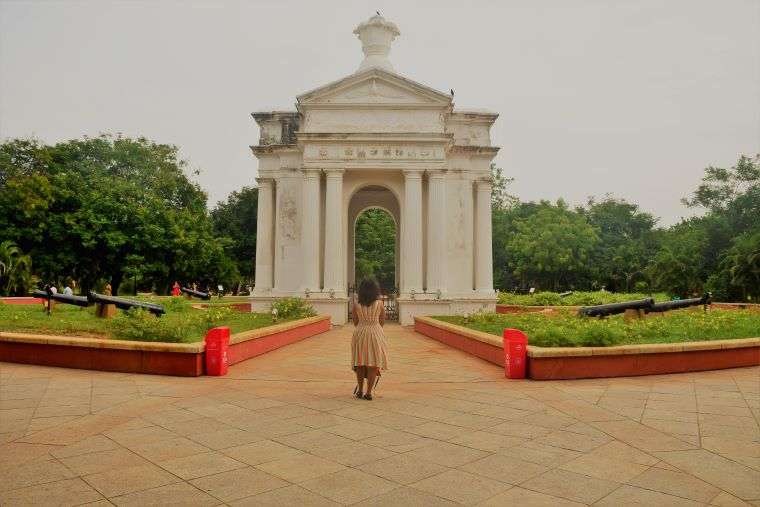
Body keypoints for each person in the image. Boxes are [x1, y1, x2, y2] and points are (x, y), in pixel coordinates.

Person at [351, 279, 389, 400]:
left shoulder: (357, 304)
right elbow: (382, 321)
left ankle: (360, 390)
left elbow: (355, 322)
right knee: (373, 364)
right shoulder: (380, 304)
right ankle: (369, 392)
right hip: (376, 332)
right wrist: (375, 328)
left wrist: (363, 326)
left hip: (360, 332)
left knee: (360, 363)